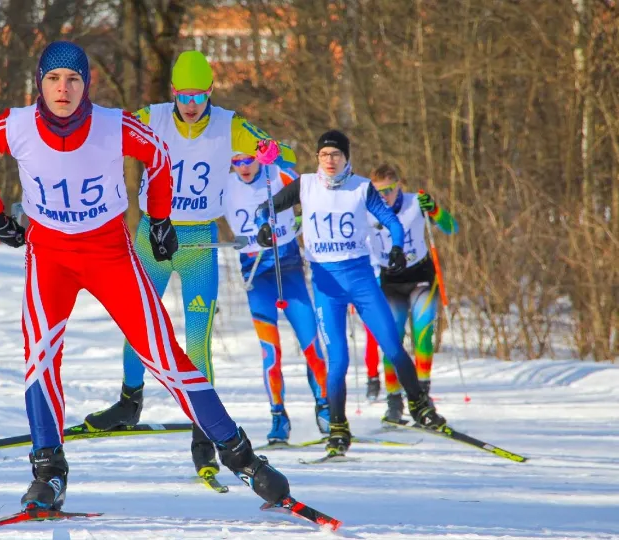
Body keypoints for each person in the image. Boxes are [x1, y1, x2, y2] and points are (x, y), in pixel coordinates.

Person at [0, 41, 299, 511]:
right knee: (39, 358)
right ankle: (49, 471)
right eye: (54, 79)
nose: (64, 89)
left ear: (87, 85)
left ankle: (241, 457)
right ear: (39, 82)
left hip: (109, 253)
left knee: (166, 356)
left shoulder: (114, 125)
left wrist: (159, 219)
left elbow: (158, 157)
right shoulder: (16, 125)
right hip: (50, 257)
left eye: (74, 80)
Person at [83, 50, 300, 478]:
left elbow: (288, 157)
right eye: (185, 94)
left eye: (200, 95)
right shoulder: (153, 116)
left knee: (197, 342)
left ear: (210, 92)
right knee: (136, 324)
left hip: (200, 239)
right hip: (154, 234)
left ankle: (204, 426)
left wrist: (275, 152)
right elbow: (104, 136)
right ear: (174, 92)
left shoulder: (230, 125)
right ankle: (130, 400)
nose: (192, 103)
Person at [256, 130, 446, 457]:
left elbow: (392, 222)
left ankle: (420, 406)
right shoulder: (304, 185)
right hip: (326, 285)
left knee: (393, 346)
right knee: (338, 361)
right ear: (318, 158)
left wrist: (398, 247)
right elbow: (267, 209)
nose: (330, 161)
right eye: (324, 155)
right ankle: (339, 427)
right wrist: (265, 227)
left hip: (361, 282)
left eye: (336, 155)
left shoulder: (361, 187)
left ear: (346, 157)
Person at [223, 152, 329, 441]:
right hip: (257, 276)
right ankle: (278, 417)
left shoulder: (278, 175)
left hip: (290, 269)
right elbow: (200, 214)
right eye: (236, 161)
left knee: (313, 347)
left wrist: (301, 224)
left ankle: (324, 408)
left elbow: (314, 194)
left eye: (248, 159)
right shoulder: (225, 184)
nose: (243, 167)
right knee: (270, 352)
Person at [364, 164, 457, 423]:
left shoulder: (415, 203)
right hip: (390, 280)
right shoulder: (368, 211)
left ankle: (423, 396)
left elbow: (451, 227)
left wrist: (436, 210)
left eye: (390, 190)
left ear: (399, 187)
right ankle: (394, 403)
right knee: (391, 340)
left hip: (420, 277)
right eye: (379, 191)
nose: (384, 196)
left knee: (423, 333)